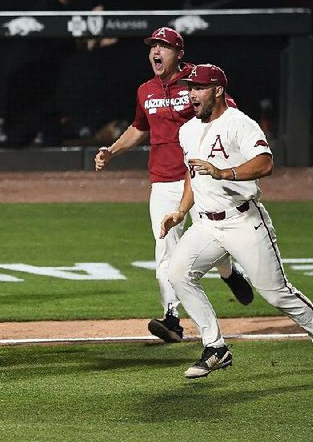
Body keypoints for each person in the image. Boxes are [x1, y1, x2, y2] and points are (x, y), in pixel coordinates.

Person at [160, 64, 313, 382]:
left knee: (277, 293)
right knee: (178, 273)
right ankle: (216, 348)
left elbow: (266, 162)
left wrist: (227, 172)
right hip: (206, 224)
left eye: (198, 87)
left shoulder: (240, 124)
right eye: (189, 87)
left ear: (218, 90)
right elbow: (191, 173)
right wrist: (181, 211)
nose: (190, 93)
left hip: (243, 220)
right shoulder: (187, 130)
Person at [94, 27, 254, 344]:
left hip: (201, 180)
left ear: (178, 53)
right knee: (165, 248)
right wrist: (111, 151)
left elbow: (228, 114)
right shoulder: (145, 91)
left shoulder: (198, 83)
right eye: (153, 46)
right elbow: (139, 128)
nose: (156, 51)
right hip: (163, 181)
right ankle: (172, 319)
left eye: (163, 46)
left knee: (215, 235)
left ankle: (228, 271)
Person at [4, 0, 112, 147]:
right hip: (26, 89)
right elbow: (50, 47)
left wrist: (91, 42)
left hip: (43, 88)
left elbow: (64, 45)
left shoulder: (62, 9)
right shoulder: (48, 8)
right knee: (18, 143)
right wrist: (90, 38)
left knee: (52, 141)